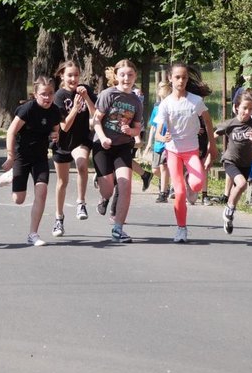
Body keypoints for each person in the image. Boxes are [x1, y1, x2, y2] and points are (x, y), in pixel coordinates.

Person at [154, 63, 218, 243]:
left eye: (184, 77)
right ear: (170, 78)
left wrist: (212, 145)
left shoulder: (195, 101)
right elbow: (158, 133)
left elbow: (208, 121)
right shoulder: (166, 104)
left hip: (191, 151)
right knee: (180, 192)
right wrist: (162, 137)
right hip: (173, 152)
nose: (181, 81)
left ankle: (191, 181)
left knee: (197, 185)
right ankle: (181, 229)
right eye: (177, 77)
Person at [0, 76, 61, 246]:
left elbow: (55, 131)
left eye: (50, 93)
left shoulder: (55, 111)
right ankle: (12, 175)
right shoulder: (27, 109)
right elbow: (11, 132)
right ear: (35, 94)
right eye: (43, 94)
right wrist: (10, 156)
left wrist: (54, 136)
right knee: (18, 199)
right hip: (22, 156)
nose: (47, 97)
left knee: (42, 192)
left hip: (40, 157)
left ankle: (33, 234)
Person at [92, 59, 143, 243]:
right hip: (103, 146)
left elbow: (137, 128)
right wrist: (103, 138)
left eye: (130, 75)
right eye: (122, 75)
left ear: (135, 76)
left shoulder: (136, 101)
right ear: (116, 76)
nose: (126, 78)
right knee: (107, 190)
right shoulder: (108, 94)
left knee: (125, 185)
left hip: (123, 146)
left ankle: (118, 229)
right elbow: (96, 120)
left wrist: (131, 131)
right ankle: (104, 195)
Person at [213, 90, 252, 234]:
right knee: (242, 184)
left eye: (250, 109)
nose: (247, 112)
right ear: (237, 107)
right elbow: (214, 134)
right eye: (244, 108)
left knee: (239, 188)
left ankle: (229, 212)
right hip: (230, 161)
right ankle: (229, 209)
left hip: (246, 164)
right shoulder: (230, 123)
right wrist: (209, 150)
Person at [50, 61, 97, 237]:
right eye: (69, 75)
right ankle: (59, 218)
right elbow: (64, 127)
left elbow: (95, 114)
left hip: (81, 140)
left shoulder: (85, 90)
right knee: (62, 182)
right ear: (62, 76)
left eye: (76, 75)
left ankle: (81, 203)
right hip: (63, 143)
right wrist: (76, 108)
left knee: (82, 165)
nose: (73, 79)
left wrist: (86, 98)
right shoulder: (59, 96)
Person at [145, 81, 172, 203]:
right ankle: (167, 182)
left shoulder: (171, 105)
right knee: (155, 169)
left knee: (163, 166)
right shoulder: (157, 107)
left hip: (168, 142)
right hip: (158, 142)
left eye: (162, 87)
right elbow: (153, 127)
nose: (160, 89)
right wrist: (149, 143)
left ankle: (164, 191)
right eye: (159, 87)